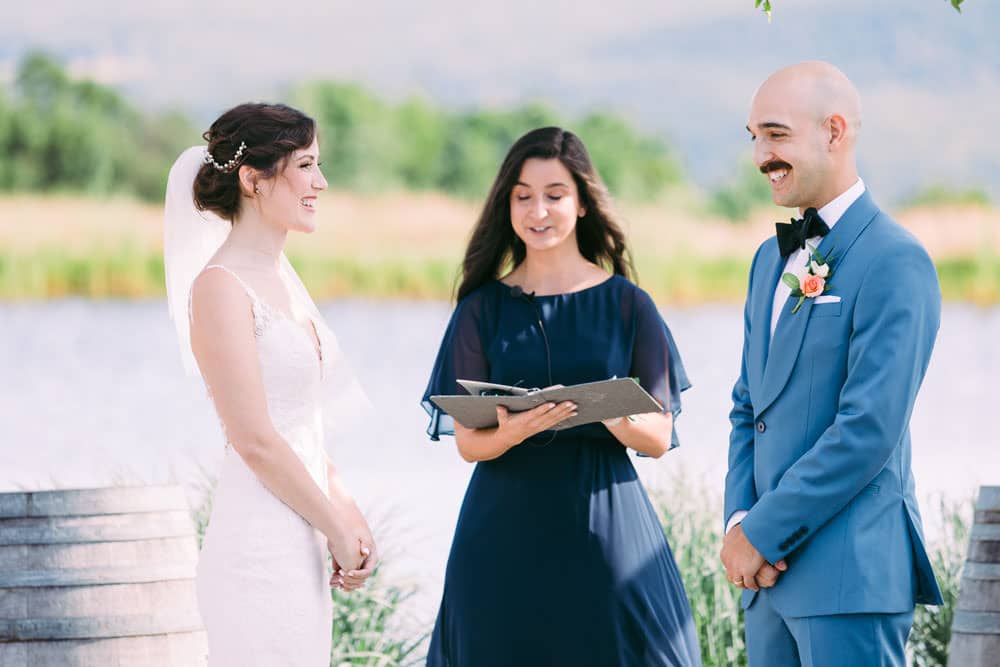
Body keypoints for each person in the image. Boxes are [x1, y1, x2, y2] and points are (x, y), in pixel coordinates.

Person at [421, 126, 701, 666]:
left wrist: (598, 408)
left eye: (554, 194)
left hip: (606, 528)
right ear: (507, 205)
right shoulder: (481, 308)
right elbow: (468, 443)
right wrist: (514, 429)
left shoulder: (627, 303)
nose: (538, 210)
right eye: (523, 196)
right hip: (501, 532)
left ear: (582, 203)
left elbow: (660, 436)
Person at [721, 62, 943, 666]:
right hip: (766, 584)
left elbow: (867, 431)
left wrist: (760, 534)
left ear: (835, 131)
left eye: (776, 134)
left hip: (851, 580)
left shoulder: (896, 261)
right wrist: (739, 521)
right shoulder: (769, 260)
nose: (762, 154)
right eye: (754, 138)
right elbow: (749, 407)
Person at [163, 102, 377, 665]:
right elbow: (254, 437)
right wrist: (332, 526)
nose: (321, 182)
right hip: (256, 548)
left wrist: (349, 515)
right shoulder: (220, 288)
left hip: (303, 545)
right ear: (253, 179)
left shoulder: (281, 282)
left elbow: (303, 424)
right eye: (305, 165)